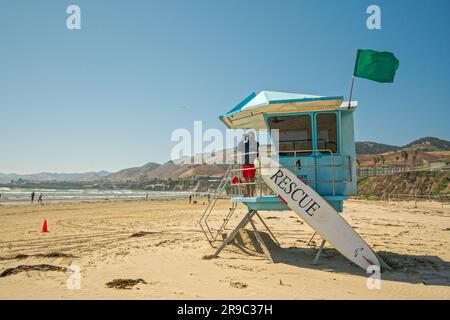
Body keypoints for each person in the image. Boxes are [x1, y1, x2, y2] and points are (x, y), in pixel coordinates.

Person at [237, 131, 259, 197]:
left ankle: (251, 193)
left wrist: (249, 139)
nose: (249, 136)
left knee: (251, 178)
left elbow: (253, 147)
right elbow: (239, 148)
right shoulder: (245, 143)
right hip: (245, 163)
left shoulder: (256, 143)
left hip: (251, 163)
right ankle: (248, 193)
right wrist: (242, 139)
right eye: (249, 135)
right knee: (246, 179)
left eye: (251, 135)